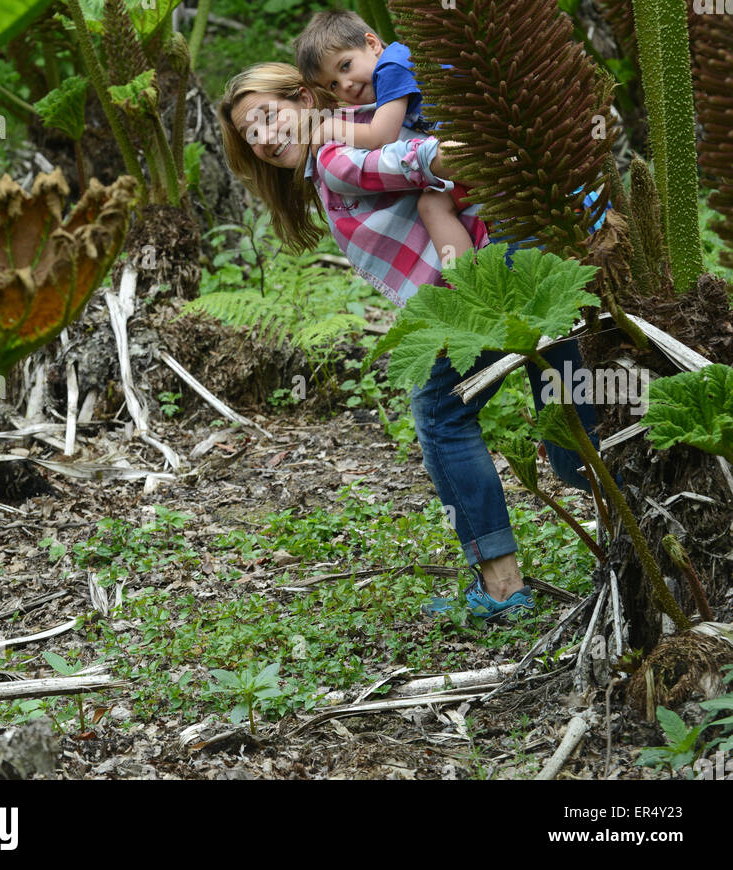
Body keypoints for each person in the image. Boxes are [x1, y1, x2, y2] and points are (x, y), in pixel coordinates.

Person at [219, 62, 598, 624]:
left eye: (269, 117)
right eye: (251, 136)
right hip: (525, 256)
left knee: (443, 418)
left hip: (488, 286)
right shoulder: (352, 131)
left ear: (302, 97)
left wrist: (500, 150)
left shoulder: (332, 152)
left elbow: (411, 159)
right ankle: (644, 538)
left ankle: (503, 589)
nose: (265, 139)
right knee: (576, 437)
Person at [294, 9, 475, 269]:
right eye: (332, 84)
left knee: (439, 191)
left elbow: (380, 138)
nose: (344, 85)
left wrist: (329, 127)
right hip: (467, 143)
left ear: (372, 43)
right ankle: (471, 287)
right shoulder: (386, 80)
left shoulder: (393, 65)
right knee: (432, 205)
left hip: (487, 132)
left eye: (345, 66)